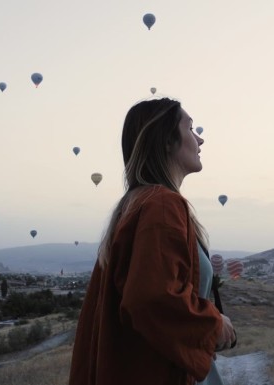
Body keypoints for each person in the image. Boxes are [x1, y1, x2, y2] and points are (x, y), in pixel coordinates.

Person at [69, 98, 236, 385]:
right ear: (167, 141)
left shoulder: (136, 205)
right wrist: (215, 327)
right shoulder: (162, 204)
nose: (200, 139)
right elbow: (153, 297)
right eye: (190, 128)